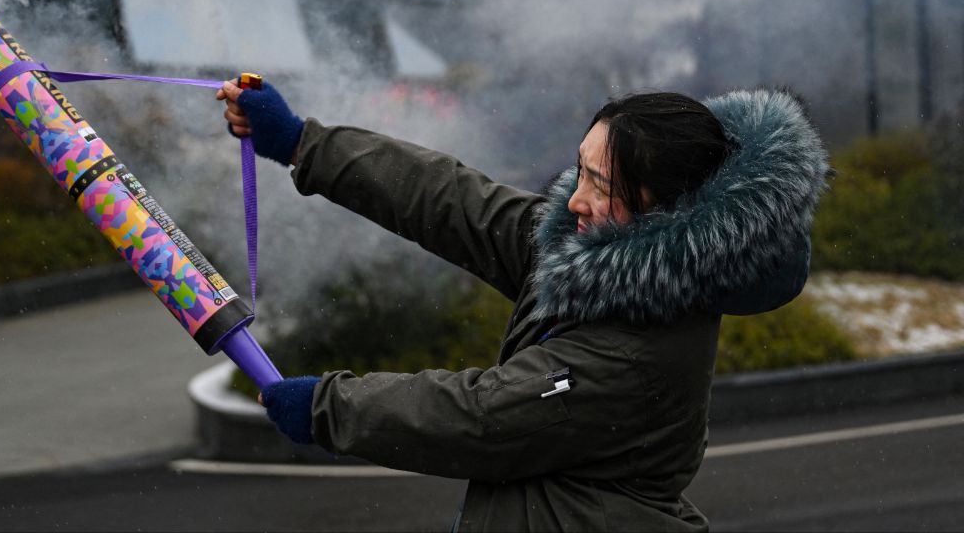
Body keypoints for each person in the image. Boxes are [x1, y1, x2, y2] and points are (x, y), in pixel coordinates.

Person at [216, 81, 829, 532]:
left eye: (601, 185)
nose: (575, 201)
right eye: (580, 171)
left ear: (662, 207)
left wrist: (327, 406)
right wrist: (304, 143)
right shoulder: (595, 253)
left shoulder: (637, 353)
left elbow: (480, 418)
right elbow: (453, 201)